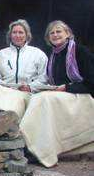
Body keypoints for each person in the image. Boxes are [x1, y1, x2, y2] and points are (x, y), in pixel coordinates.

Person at [20, 20, 94, 167]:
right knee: (37, 97)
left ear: (67, 33)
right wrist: (31, 87)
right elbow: (50, 82)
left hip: (83, 95)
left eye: (58, 31)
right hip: (62, 94)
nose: (55, 34)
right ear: (48, 38)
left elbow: (91, 83)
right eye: (51, 33)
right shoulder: (53, 56)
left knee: (43, 99)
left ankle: (35, 148)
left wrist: (66, 88)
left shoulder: (80, 51)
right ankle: (33, 145)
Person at [0, 20, 48, 119]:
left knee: (15, 101)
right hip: (4, 91)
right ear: (10, 35)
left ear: (27, 35)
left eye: (21, 32)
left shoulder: (37, 54)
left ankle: (9, 124)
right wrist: (4, 86)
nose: (17, 35)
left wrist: (30, 87)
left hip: (27, 93)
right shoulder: (2, 54)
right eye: (14, 32)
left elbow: (44, 77)